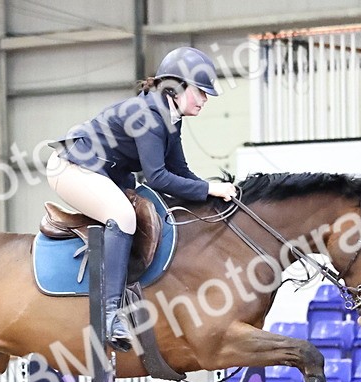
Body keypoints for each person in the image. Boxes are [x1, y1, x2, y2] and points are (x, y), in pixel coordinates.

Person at [47, 46, 238, 351]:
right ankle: (110, 316)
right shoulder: (147, 115)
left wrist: (212, 193)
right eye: (201, 92)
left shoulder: (171, 116)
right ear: (176, 88)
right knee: (123, 217)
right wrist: (208, 189)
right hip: (72, 166)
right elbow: (158, 177)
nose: (204, 100)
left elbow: (180, 170)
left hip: (104, 172)